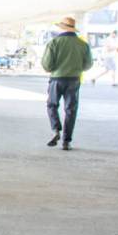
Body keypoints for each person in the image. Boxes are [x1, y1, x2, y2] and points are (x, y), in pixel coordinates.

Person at [41, 16, 93, 151]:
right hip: (74, 80)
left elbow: (47, 65)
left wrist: (56, 68)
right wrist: (75, 67)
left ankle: (56, 129)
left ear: (61, 28)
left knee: (52, 105)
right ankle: (66, 141)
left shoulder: (54, 43)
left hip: (57, 79)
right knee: (71, 110)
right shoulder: (83, 44)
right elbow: (88, 65)